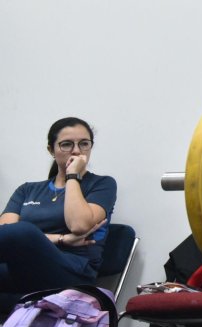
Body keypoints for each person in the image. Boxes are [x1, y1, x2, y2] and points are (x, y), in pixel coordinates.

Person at [0, 117, 117, 315]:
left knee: (24, 232)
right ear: (50, 150)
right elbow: (4, 232)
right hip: (22, 270)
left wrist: (72, 176)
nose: (77, 151)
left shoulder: (102, 184)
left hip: (73, 274)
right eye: (66, 145)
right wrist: (60, 239)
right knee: (20, 233)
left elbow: (79, 225)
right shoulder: (27, 190)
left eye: (84, 144)